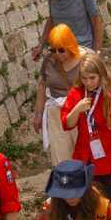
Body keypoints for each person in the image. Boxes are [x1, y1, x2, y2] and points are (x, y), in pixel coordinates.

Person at [60, 51, 111, 213]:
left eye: (92, 78)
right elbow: (66, 124)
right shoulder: (76, 93)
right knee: (85, 213)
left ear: (101, 75)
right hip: (83, 163)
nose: (88, 83)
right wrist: (77, 109)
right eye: (84, 78)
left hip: (109, 165)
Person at [34, 23, 86, 162]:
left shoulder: (85, 60)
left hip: (80, 112)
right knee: (61, 156)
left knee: (83, 154)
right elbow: (42, 86)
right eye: (53, 50)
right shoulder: (48, 62)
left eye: (61, 50)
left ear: (70, 46)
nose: (57, 54)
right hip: (56, 113)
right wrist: (38, 114)